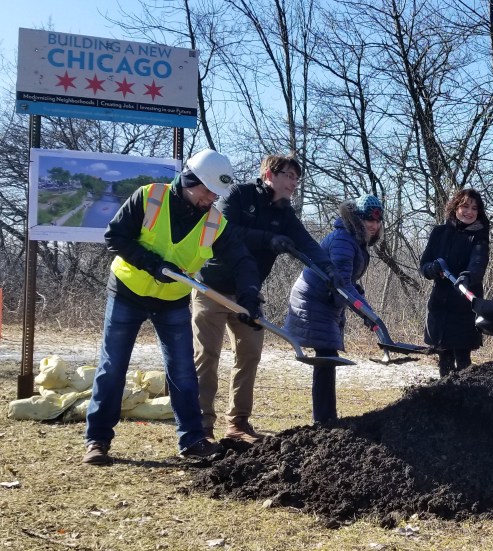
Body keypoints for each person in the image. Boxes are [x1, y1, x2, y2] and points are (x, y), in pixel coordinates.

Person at [82, 149, 263, 466]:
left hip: (172, 301)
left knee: (182, 371)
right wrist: (152, 263)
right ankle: (97, 439)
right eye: (206, 191)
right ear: (189, 180)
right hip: (128, 291)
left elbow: (243, 260)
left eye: (215, 194)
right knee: (113, 367)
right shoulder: (149, 197)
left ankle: (192, 440)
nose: (210, 199)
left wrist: (249, 294)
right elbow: (115, 237)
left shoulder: (215, 222)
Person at [192, 154, 339, 443]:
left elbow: (306, 242)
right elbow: (224, 230)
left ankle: (238, 424)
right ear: (269, 175)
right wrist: (267, 239)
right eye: (288, 175)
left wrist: (329, 268)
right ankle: (201, 426)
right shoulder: (238, 194)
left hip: (249, 295)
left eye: (297, 178)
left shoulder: (285, 215)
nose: (294, 183)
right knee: (206, 356)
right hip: (212, 288)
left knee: (250, 354)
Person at [283, 194, 384, 423]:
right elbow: (342, 284)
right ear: (356, 218)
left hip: (327, 300)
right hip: (314, 300)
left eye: (377, 221)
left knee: (327, 356)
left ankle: (326, 418)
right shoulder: (343, 240)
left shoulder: (354, 241)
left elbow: (345, 280)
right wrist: (370, 315)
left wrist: (358, 296)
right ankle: (325, 420)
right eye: (368, 219)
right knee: (327, 356)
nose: (373, 225)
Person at [419, 189, 490, 376]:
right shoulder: (439, 233)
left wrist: (466, 277)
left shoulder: (479, 236)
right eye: (465, 206)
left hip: (465, 305)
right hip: (440, 305)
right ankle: (445, 400)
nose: (469, 212)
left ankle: (465, 401)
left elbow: (478, 262)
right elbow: (424, 265)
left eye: (474, 208)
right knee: (444, 358)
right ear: (455, 208)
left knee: (464, 360)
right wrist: (433, 269)